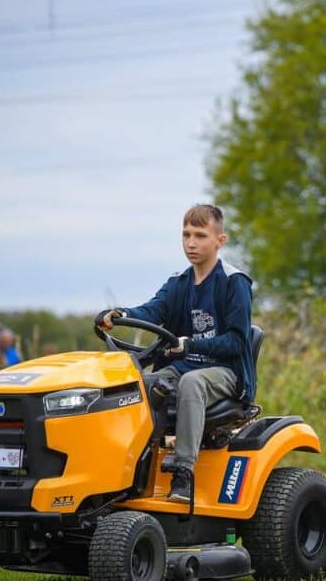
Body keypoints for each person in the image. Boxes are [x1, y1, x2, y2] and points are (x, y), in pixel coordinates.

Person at [96, 204, 255, 503]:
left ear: (219, 241)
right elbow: (152, 310)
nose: (191, 243)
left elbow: (236, 341)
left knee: (191, 383)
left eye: (200, 235)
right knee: (137, 386)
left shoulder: (235, 283)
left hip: (225, 373)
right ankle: (123, 472)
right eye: (186, 235)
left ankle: (183, 474)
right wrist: (121, 313)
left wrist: (191, 345)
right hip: (183, 366)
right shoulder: (178, 283)